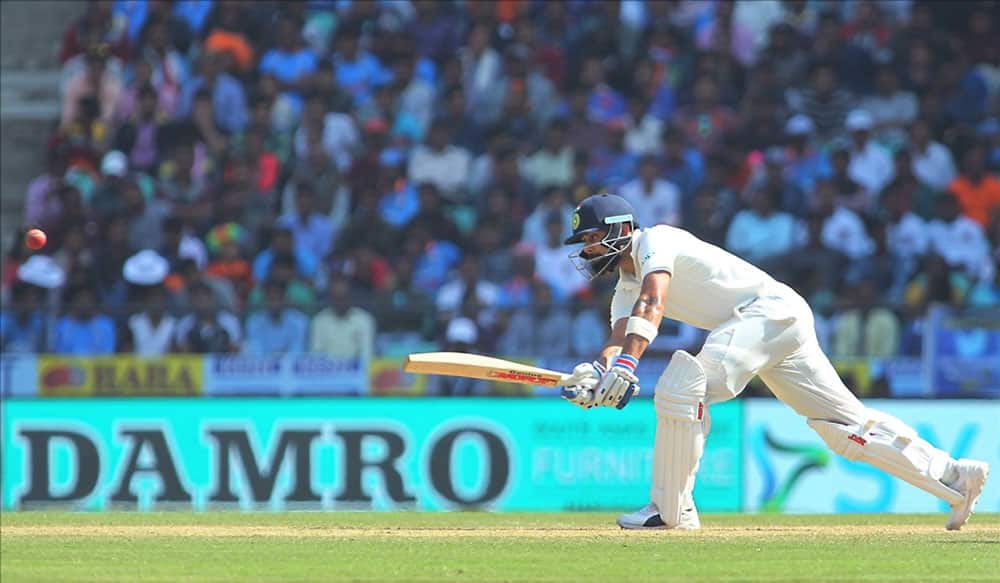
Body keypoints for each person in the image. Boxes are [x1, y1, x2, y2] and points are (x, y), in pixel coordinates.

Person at [558, 193, 989, 532]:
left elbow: (654, 302)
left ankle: (671, 510)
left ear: (621, 229)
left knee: (681, 388)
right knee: (844, 428)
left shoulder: (656, 240)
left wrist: (625, 369)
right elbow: (618, 338)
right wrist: (596, 374)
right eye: (585, 243)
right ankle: (954, 476)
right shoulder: (625, 288)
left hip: (765, 312)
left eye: (593, 238)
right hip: (776, 321)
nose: (588, 250)